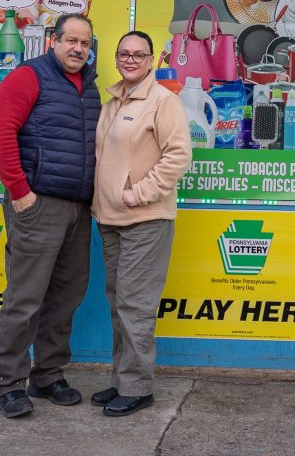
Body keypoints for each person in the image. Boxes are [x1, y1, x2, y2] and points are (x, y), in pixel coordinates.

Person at [0, 13, 101, 419]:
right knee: (25, 298)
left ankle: (48, 375)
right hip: (37, 204)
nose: (78, 49)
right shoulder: (28, 76)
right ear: (53, 39)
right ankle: (8, 383)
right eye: (71, 40)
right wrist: (20, 194)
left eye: (85, 43)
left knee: (66, 297)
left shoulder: (90, 86)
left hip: (78, 207)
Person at [90, 30, 192, 417]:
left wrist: (141, 191)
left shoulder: (162, 101)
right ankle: (122, 379)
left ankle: (138, 387)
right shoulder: (113, 101)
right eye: (124, 53)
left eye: (139, 54)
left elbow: (179, 155)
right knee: (118, 302)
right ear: (116, 59)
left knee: (136, 303)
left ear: (151, 60)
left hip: (145, 218)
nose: (130, 59)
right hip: (110, 219)